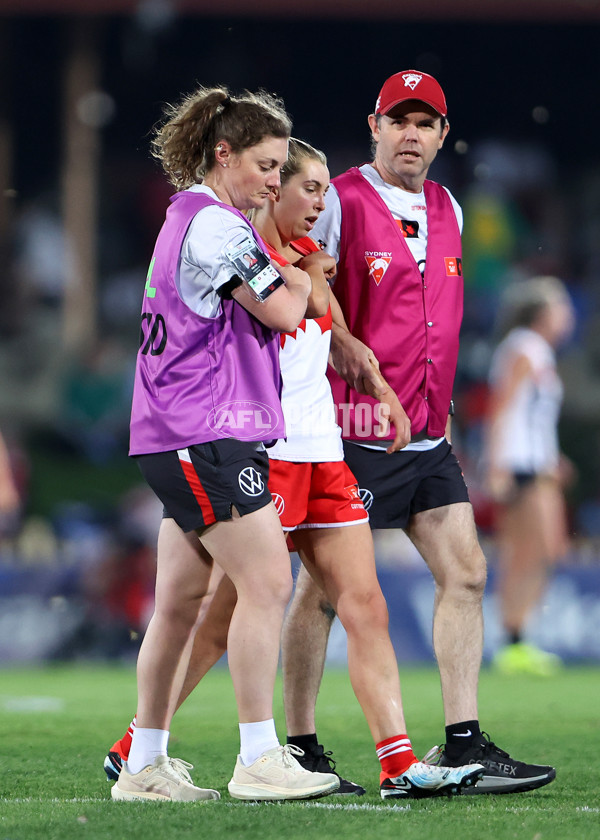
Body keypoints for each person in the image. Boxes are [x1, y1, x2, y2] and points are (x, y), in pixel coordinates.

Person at [105, 138, 484, 801]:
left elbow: (344, 347)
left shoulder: (312, 271)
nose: (319, 203)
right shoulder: (255, 268)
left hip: (326, 455)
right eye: (305, 189)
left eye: (319, 192)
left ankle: (397, 763)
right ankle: (142, 744)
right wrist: (310, 277)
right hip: (266, 456)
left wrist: (390, 400)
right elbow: (280, 319)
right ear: (272, 194)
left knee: (365, 604)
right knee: (220, 615)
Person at [292, 69, 556, 794]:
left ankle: (462, 740)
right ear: (374, 125)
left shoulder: (450, 208)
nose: (411, 134)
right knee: (319, 592)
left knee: (466, 572)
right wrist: (343, 342)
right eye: (398, 120)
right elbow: (307, 277)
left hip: (428, 434)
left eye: (425, 123)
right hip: (352, 431)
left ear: (443, 135)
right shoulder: (338, 199)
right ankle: (300, 746)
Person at [111, 85, 340, 803]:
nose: (276, 181)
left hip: (178, 429)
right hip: (207, 430)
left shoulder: (189, 219)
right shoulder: (219, 228)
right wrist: (306, 273)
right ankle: (257, 757)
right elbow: (280, 311)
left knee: (179, 601)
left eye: (280, 169)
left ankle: (144, 763)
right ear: (225, 155)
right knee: (269, 583)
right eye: (267, 165)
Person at [483, 276, 575, 676]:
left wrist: (554, 456)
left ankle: (516, 638)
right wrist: (497, 462)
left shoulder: (536, 350)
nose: (568, 316)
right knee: (534, 550)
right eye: (561, 307)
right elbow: (501, 407)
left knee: (539, 551)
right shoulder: (524, 348)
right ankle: (513, 640)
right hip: (521, 464)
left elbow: (531, 414)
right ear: (543, 313)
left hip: (536, 462)